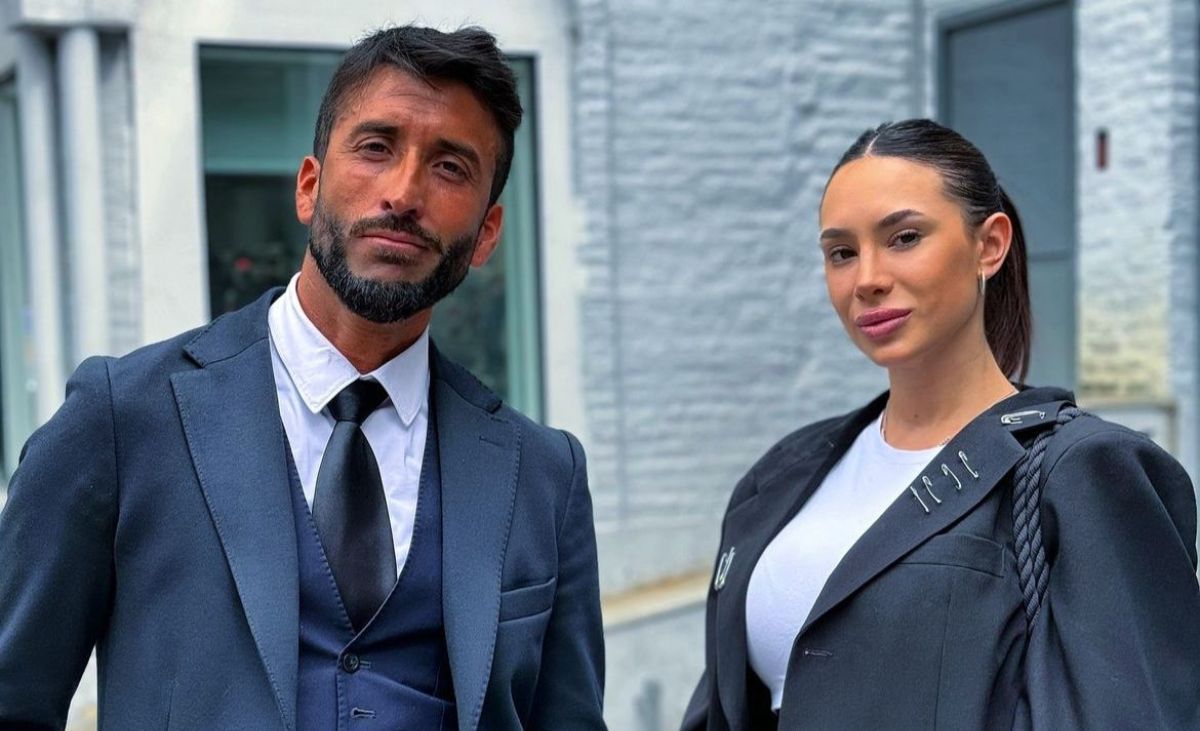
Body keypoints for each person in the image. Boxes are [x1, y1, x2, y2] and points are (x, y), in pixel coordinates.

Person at [0, 25, 605, 731]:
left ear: (488, 233)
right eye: (376, 146)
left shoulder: (545, 476)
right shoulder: (121, 418)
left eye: (449, 167)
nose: (404, 192)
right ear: (309, 186)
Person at [681, 119, 1200, 730]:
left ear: (989, 245)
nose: (868, 279)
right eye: (842, 252)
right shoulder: (781, 475)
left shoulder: (1082, 472)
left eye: (904, 238)